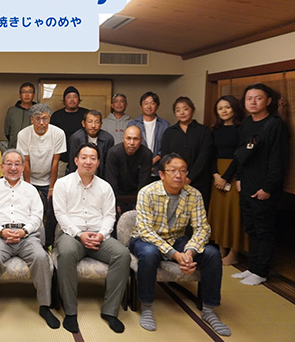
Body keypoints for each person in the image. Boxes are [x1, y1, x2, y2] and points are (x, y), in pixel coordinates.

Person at [129, 153, 230, 336]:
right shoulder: (147, 192)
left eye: (183, 171)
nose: (178, 175)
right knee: (149, 254)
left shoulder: (193, 194)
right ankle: (147, 307)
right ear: (161, 174)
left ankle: (208, 309)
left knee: (212, 254)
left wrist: (190, 251)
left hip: (177, 238)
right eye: (173, 170)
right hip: (146, 238)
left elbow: (202, 228)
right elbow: (146, 231)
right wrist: (175, 255)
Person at [0, 149, 59, 331]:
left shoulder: (31, 190)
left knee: (41, 257)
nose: (13, 167)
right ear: (2, 166)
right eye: (9, 163)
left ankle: (45, 306)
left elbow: (37, 216)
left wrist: (23, 231)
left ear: (23, 167)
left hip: (27, 236)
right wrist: (2, 231)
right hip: (0, 236)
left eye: (17, 164)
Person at [53, 143, 130, 334]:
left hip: (98, 235)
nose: (88, 162)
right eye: (84, 157)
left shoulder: (105, 187)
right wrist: (80, 234)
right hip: (72, 234)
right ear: (76, 160)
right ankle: (70, 312)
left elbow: (110, 215)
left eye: (93, 158)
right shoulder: (63, 184)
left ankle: (110, 311)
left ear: (98, 163)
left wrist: (101, 234)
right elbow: (60, 214)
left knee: (122, 254)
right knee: (66, 253)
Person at [232, 84, 289, 286]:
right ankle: (253, 266)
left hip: (264, 188)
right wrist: (239, 178)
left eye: (258, 98)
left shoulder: (275, 125)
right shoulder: (247, 123)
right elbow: (241, 153)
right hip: (246, 185)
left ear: (268, 101)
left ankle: (261, 271)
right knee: (252, 228)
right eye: (249, 98)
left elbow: (278, 160)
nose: (253, 102)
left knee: (264, 230)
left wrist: (268, 188)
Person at [208, 95, 246, 266]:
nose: (224, 111)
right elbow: (211, 154)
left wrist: (225, 177)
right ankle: (221, 249)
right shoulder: (215, 130)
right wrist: (216, 175)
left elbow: (240, 155)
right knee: (219, 213)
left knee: (233, 213)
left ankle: (233, 253)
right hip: (217, 174)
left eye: (227, 107)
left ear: (234, 109)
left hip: (234, 174)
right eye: (220, 108)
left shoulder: (242, 129)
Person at [161, 96, 213, 208]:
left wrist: (190, 177)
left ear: (192, 110)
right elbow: (165, 157)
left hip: (199, 180)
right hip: (175, 180)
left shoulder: (203, 131)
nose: (182, 113)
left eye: (185, 109)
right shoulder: (169, 132)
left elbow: (204, 156)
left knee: (198, 211)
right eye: (178, 110)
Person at [17, 103, 66, 201]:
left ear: (49, 118)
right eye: (37, 119)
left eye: (45, 118)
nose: (41, 123)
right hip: (29, 177)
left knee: (52, 203)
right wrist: (28, 187)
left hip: (48, 178)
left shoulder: (58, 133)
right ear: (31, 120)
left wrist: (52, 188)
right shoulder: (23, 134)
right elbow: (25, 162)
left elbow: (55, 162)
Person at [105, 126, 153, 215]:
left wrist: (139, 204)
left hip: (137, 193)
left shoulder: (146, 154)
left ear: (141, 140)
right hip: (118, 193)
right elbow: (111, 180)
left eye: (136, 139)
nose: (131, 143)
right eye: (128, 138)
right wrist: (115, 204)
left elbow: (144, 182)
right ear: (123, 139)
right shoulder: (114, 152)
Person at [128, 91, 170, 180]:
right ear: (141, 106)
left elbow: (167, 147)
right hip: (138, 169)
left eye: (152, 103)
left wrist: (154, 160)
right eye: (146, 103)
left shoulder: (165, 125)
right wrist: (146, 163)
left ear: (157, 106)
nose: (149, 106)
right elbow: (129, 146)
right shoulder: (133, 124)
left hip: (159, 169)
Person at [50, 86, 89, 176]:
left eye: (75, 97)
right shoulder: (56, 116)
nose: (72, 100)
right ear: (64, 100)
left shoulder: (86, 114)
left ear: (79, 100)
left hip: (82, 159)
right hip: (61, 159)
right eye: (69, 97)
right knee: (61, 182)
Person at [67, 110, 114, 178]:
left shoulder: (108, 138)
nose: (93, 125)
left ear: (101, 124)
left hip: (100, 176)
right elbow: (72, 163)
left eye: (97, 122)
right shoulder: (76, 138)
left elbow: (108, 165)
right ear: (83, 123)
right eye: (90, 122)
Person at [4, 82, 36, 149]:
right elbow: (7, 132)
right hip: (15, 148)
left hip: (35, 149)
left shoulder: (39, 111)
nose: (27, 95)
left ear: (33, 95)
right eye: (24, 92)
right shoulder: (12, 111)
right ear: (20, 95)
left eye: (30, 92)